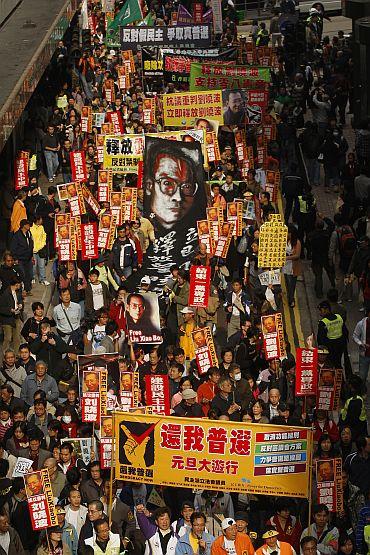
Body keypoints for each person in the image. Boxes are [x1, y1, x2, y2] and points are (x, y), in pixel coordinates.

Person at [317, 301, 346, 367]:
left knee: (329, 365)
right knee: (338, 363)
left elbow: (320, 339)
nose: (320, 313)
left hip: (329, 348)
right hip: (340, 346)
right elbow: (344, 331)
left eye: (321, 310)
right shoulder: (339, 317)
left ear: (326, 309)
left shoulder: (323, 322)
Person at [10, 219, 34, 294]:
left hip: (28, 258)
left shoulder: (29, 234)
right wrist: (15, 258)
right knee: (22, 275)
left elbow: (31, 245)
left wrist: (32, 255)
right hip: (20, 259)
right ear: (24, 226)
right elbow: (13, 248)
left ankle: (28, 289)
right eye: (28, 224)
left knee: (29, 274)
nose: (29, 226)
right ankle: (22, 290)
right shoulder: (17, 235)